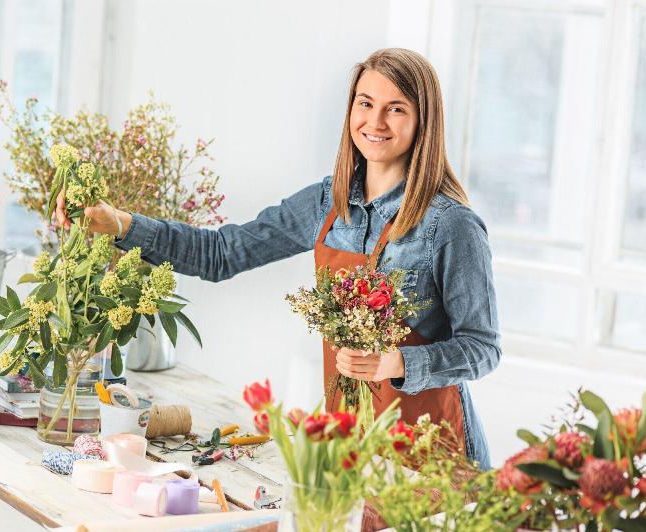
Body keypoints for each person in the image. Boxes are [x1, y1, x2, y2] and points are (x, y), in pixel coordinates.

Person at [56, 48, 500, 470]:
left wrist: (398, 363)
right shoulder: (327, 203)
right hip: (350, 445)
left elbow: (483, 348)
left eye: (396, 108)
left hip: (435, 452)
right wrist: (120, 224)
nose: (375, 121)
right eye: (366, 103)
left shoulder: (450, 225)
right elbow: (221, 254)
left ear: (424, 120)